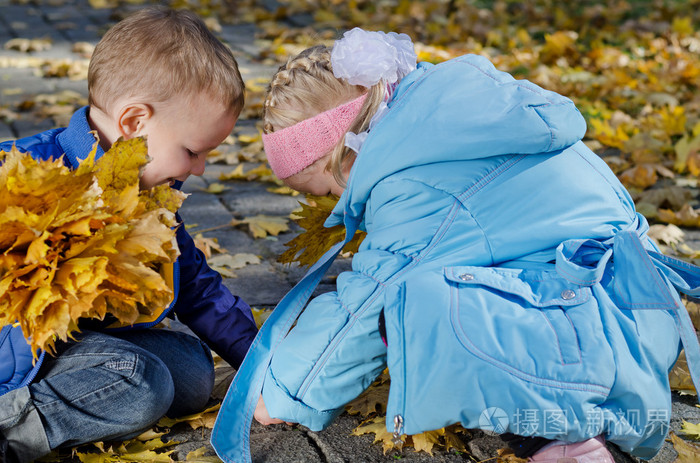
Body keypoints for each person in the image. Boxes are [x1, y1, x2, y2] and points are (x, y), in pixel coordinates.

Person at [210, 28, 700, 463]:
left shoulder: (417, 183)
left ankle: (568, 441)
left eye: (326, 190)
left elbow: (366, 302)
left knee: (411, 305)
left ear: (345, 150)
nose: (337, 203)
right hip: (630, 312)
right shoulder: (452, 118)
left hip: (585, 343)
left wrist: (286, 391)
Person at [0, 7, 258, 462]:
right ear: (135, 123)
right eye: (193, 151)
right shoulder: (24, 178)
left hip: (74, 348)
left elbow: (198, 290)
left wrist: (260, 367)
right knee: (142, 383)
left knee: (194, 371)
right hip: (16, 355)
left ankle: (99, 388)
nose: (200, 168)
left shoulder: (149, 194)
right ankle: (10, 431)